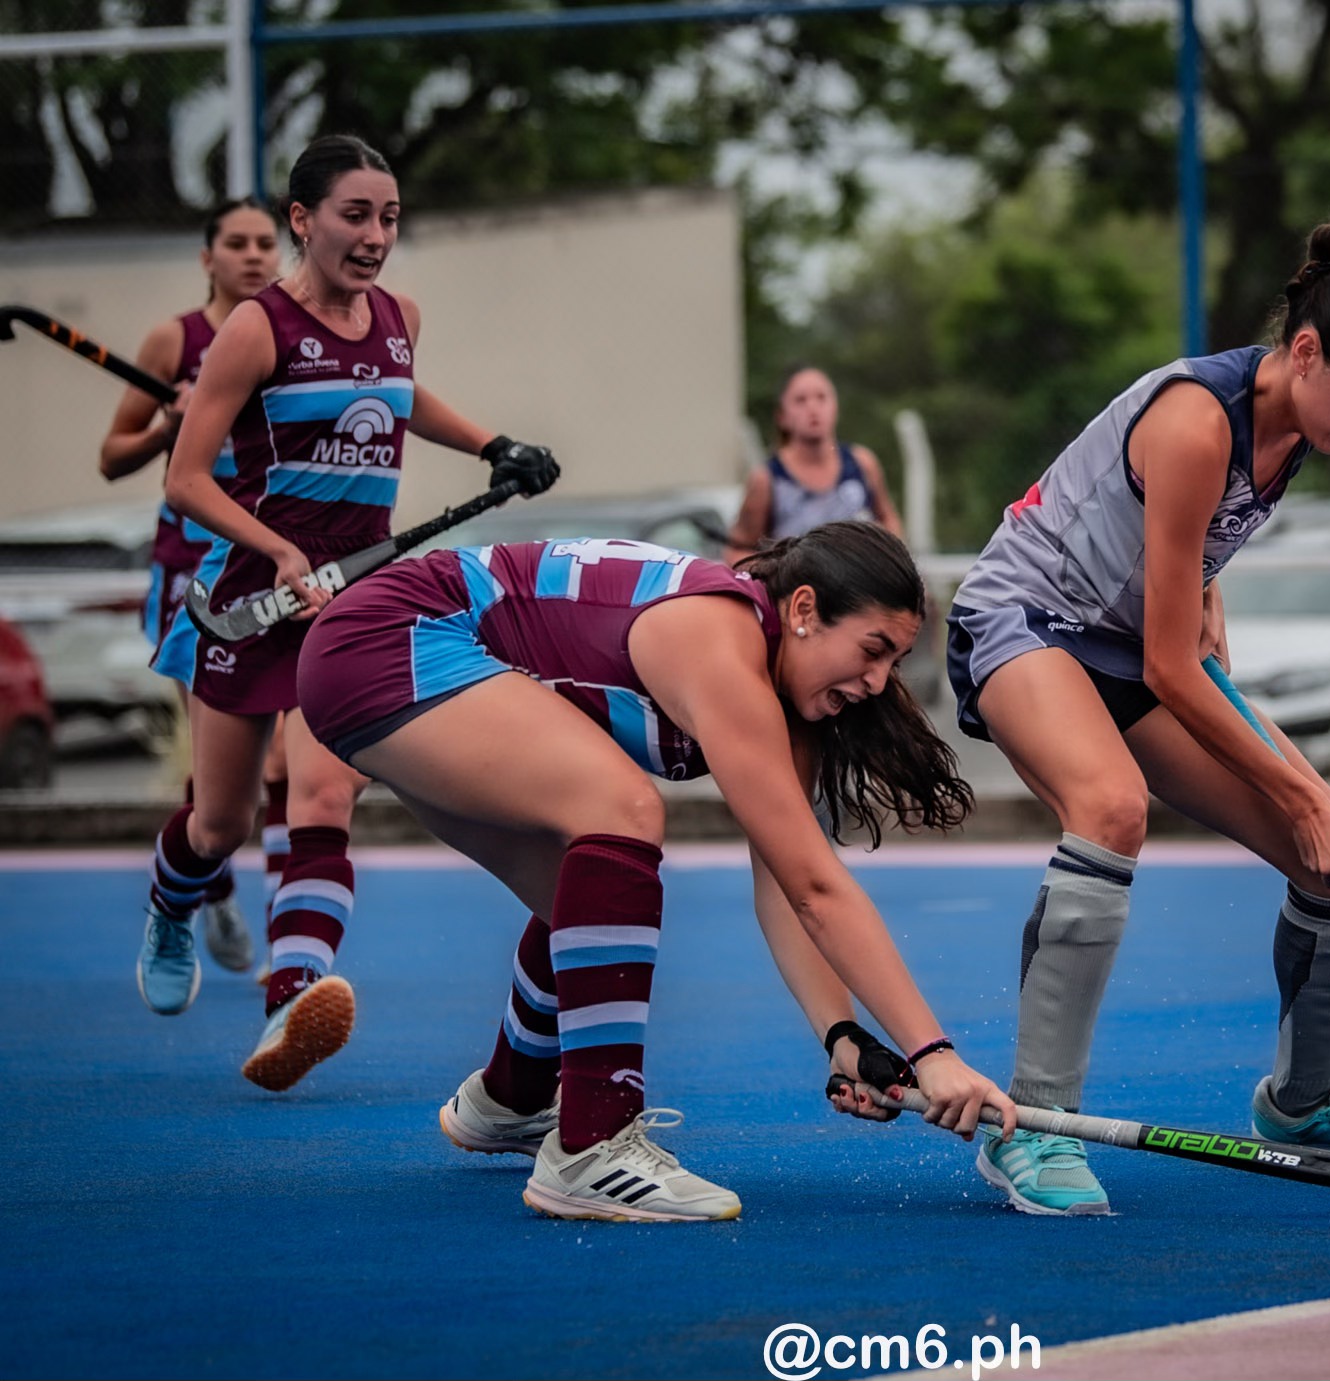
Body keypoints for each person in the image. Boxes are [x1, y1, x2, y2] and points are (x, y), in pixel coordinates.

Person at [293, 519, 1015, 1221]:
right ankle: (592, 1143)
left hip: (386, 654)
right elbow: (818, 891)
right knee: (621, 809)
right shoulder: (722, 641)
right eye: (872, 649)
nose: (878, 680)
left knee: (579, 893)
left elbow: (787, 888)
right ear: (802, 610)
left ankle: (506, 1101)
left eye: (893, 661)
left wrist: (844, 1040)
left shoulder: (781, 706)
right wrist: (934, 1053)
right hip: (386, 639)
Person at [945, 220, 1330, 1216]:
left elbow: (1182, 601)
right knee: (1111, 806)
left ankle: (1305, 1104)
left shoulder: (1296, 428)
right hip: (1025, 619)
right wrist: (1298, 784)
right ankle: (1036, 1128)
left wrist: (1311, 801)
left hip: (1127, 644)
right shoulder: (1195, 420)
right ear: (1306, 353)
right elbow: (1174, 669)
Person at [140, 134, 560, 1100]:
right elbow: (185, 476)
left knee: (324, 796)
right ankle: (172, 906)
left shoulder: (399, 316)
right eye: (355, 216)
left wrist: (495, 443)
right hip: (251, 596)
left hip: (351, 604)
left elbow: (400, 397)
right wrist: (283, 551)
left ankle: (292, 994)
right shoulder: (257, 327)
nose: (376, 236)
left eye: (390, 218)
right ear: (303, 220)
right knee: (220, 824)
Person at [100, 197, 286, 979]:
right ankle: (207, 883)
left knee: (279, 761)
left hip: (280, 565)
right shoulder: (175, 339)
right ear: (206, 257)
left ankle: (291, 934)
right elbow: (112, 455)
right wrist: (170, 427)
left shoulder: (293, 331)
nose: (253, 256)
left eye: (265, 243)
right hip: (193, 568)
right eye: (236, 243)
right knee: (231, 761)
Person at [725, 365, 904, 563]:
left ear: (836, 407)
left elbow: (889, 520)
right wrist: (773, 576)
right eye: (800, 400)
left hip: (861, 588)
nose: (813, 408)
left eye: (821, 397)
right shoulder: (767, 479)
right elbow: (738, 551)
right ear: (781, 416)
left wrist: (887, 559)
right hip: (797, 590)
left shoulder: (862, 463)